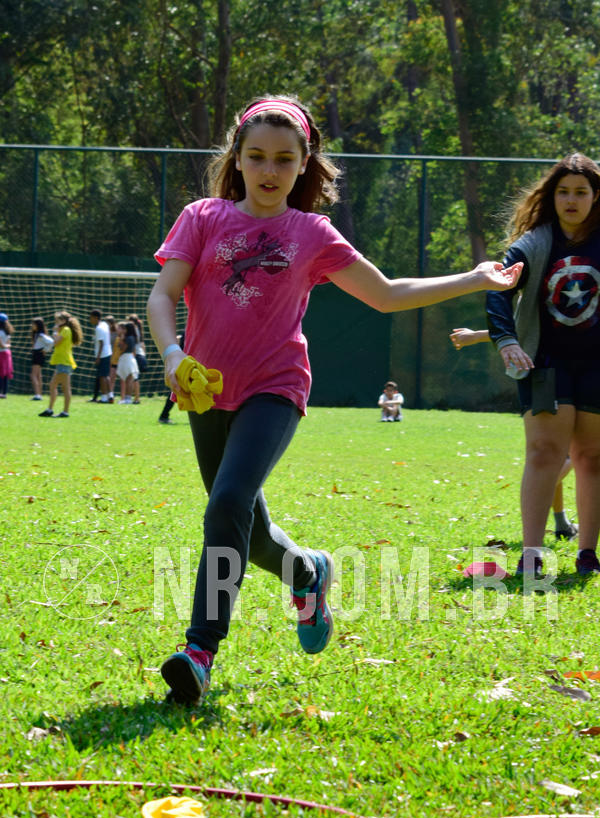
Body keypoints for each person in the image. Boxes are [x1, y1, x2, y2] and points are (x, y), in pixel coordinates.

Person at [147, 94, 522, 705]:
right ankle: (307, 572)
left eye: (284, 159)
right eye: (257, 156)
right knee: (247, 528)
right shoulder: (202, 217)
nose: (270, 170)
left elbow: (387, 294)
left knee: (228, 503)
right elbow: (163, 296)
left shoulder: (311, 233)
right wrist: (172, 355)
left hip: (275, 387)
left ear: (304, 164)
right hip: (204, 391)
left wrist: (474, 279)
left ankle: (199, 650)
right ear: (237, 158)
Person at [486, 152, 600, 576]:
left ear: (595, 196)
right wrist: (506, 341)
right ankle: (532, 555)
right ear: (552, 197)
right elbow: (497, 288)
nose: (571, 200)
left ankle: (587, 554)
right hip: (545, 363)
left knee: (591, 457)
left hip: (595, 366)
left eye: (581, 192)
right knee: (543, 452)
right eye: (563, 192)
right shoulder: (534, 242)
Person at [450, 325, 578, 540]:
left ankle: (561, 523)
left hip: (558, 374)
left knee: (557, 455)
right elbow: (527, 325)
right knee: (568, 455)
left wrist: (477, 336)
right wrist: (477, 336)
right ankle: (543, 506)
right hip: (556, 375)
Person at [38, 310, 83, 418]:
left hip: (64, 362)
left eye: (57, 320)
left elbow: (56, 342)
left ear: (63, 320)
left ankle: (63, 411)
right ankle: (51, 410)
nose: (56, 322)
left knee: (63, 387)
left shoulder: (66, 330)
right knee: (57, 386)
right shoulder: (63, 330)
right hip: (62, 362)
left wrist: (55, 332)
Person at [89, 309, 113, 403]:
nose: (90, 319)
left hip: (103, 355)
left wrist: (98, 357)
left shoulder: (99, 328)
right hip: (108, 353)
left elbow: (101, 343)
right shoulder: (104, 324)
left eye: (91, 317)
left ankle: (104, 398)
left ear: (96, 317)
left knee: (102, 377)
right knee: (106, 376)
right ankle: (110, 396)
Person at [30, 316, 54, 400]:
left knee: (33, 375)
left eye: (33, 324)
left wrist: (46, 349)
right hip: (38, 354)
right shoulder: (37, 334)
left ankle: (37, 395)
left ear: (38, 325)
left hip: (38, 355)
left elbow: (51, 342)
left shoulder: (40, 335)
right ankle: (39, 394)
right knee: (38, 375)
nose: (32, 326)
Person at [115, 320, 139, 404]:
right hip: (129, 358)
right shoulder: (132, 337)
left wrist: (121, 340)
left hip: (126, 358)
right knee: (128, 379)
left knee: (128, 380)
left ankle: (127, 399)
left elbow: (122, 348)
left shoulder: (128, 338)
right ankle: (127, 398)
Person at [0, 313, 14, 399]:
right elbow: (9, 345)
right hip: (7, 353)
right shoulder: (7, 332)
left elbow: (1, 345)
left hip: (1, 354)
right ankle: (4, 393)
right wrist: (5, 346)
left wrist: (3, 345)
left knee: (1, 373)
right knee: (5, 374)